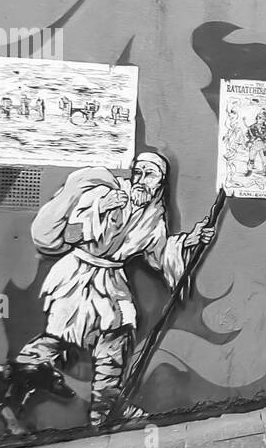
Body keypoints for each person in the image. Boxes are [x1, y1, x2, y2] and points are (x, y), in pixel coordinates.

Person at [17, 151, 214, 427]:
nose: (142, 179)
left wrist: (190, 240)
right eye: (139, 172)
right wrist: (100, 211)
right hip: (79, 274)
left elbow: (158, 256)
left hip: (111, 279)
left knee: (118, 335)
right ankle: (8, 385)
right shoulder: (104, 193)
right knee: (59, 338)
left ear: (161, 182)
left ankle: (105, 409)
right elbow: (67, 235)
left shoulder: (154, 216)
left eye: (151, 174)